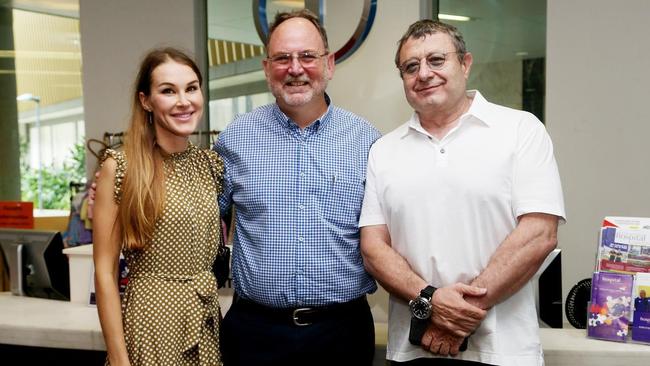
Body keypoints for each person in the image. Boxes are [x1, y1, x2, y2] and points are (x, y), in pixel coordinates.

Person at [359, 19, 566, 365]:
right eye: (411, 67)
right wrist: (431, 301)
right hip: (413, 350)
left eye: (436, 60)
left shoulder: (520, 130)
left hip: (505, 351)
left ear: (465, 64)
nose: (424, 74)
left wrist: (459, 315)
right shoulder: (384, 149)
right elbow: (373, 248)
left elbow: (539, 234)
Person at [214, 9, 381, 366]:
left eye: (308, 56)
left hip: (342, 335)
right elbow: (204, 220)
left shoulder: (367, 142)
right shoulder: (235, 139)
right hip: (254, 334)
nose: (295, 68)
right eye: (282, 58)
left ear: (329, 64)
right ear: (266, 68)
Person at [93, 47, 224, 366]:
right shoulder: (121, 165)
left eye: (191, 88)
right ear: (146, 100)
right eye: (168, 91)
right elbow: (104, 272)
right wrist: (119, 358)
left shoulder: (210, 165)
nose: (184, 101)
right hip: (151, 323)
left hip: (205, 318)